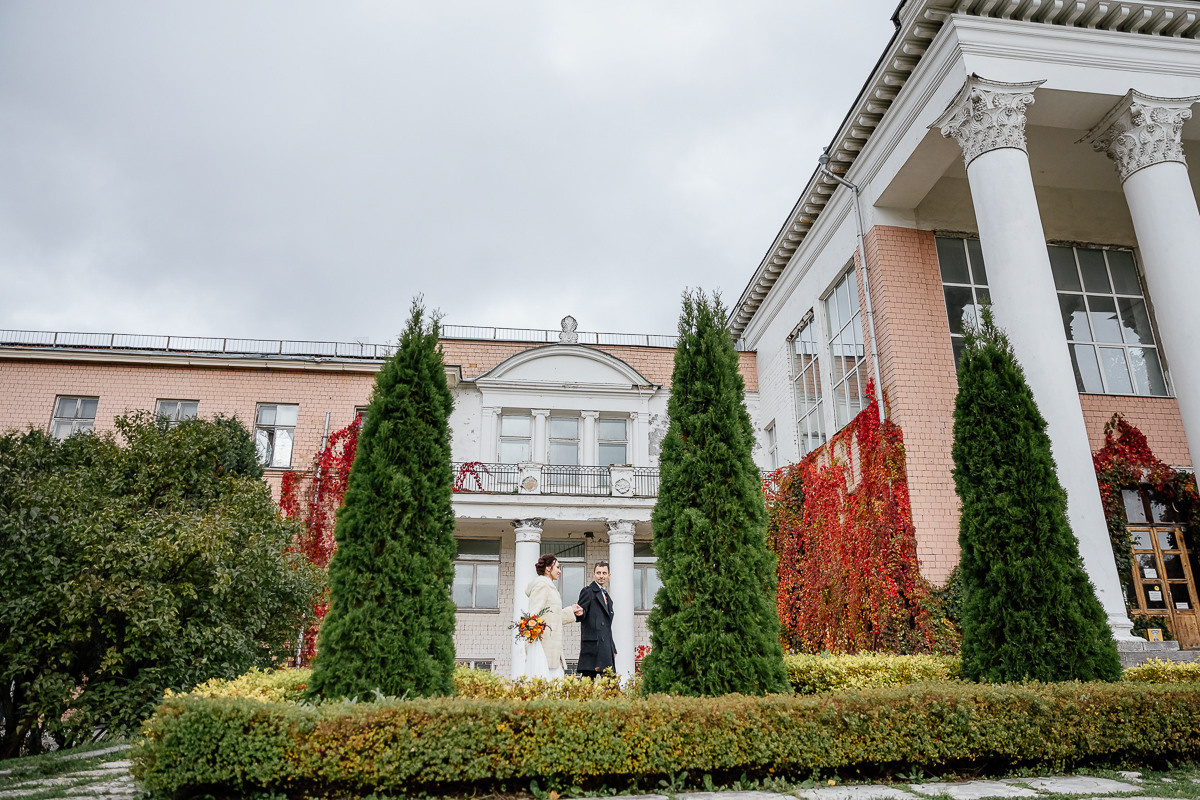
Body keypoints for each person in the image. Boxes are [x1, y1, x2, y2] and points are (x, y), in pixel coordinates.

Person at [523, 553, 583, 679]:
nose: (560, 571)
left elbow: (553, 616)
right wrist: (534, 642)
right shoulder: (542, 585)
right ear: (548, 568)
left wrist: (571, 610)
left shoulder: (550, 587)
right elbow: (533, 614)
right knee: (545, 683)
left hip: (551, 647)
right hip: (544, 647)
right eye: (557, 567)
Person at [575, 560, 617, 679]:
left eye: (604, 573)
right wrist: (579, 613)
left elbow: (607, 627)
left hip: (605, 647)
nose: (601, 576)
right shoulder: (587, 592)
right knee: (587, 684)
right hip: (593, 646)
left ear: (609, 576)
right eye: (598, 573)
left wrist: (612, 647)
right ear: (593, 574)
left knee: (610, 684)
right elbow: (581, 614)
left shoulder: (607, 597)